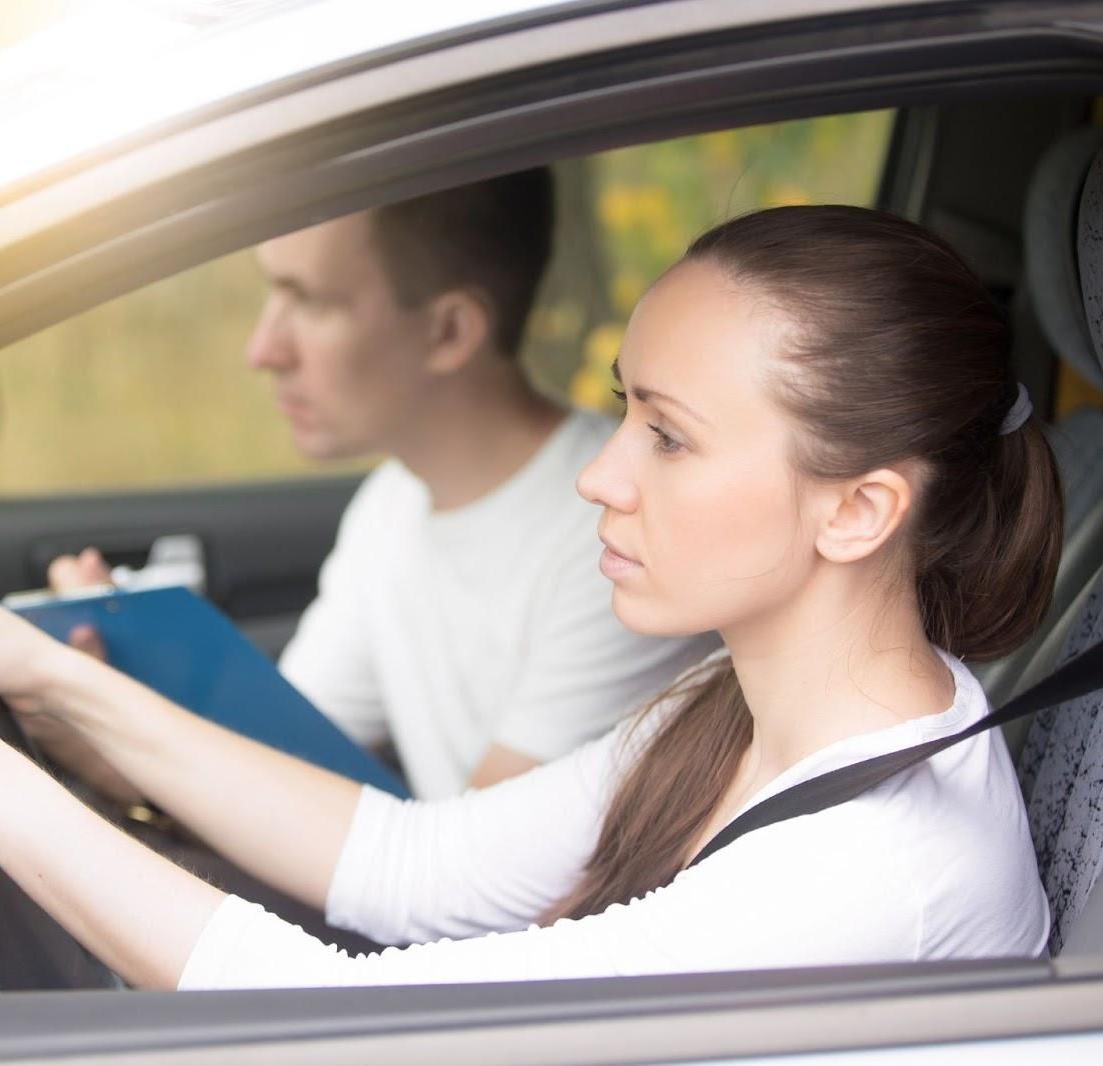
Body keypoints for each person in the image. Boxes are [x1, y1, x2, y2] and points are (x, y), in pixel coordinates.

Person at [0, 204, 1060, 989]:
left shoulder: (875, 871)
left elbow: (317, 1025)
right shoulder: (733, 708)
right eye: (620, 410)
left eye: (667, 434)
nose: (601, 474)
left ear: (860, 508)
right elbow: (406, 864)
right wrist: (36, 671)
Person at [46, 168, 716, 798]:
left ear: (449, 331)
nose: (263, 349)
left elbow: (483, 878)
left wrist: (115, 726)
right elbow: (272, 767)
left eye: (311, 301)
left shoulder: (616, 538)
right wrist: (101, 698)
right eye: (272, 292)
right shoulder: (391, 502)